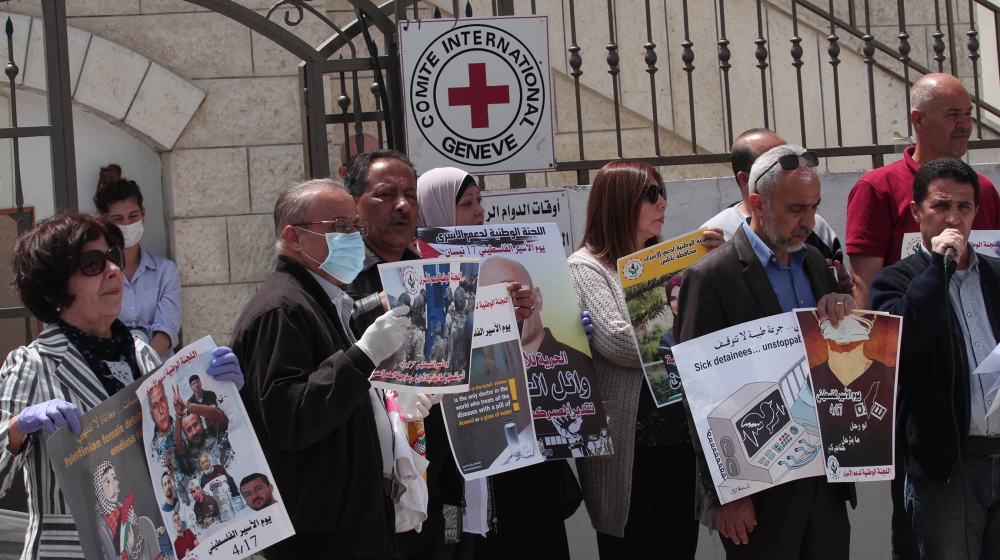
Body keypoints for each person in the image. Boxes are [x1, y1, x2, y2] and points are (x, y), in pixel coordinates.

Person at [0, 211, 241, 559]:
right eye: (92, 264)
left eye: (113, 256)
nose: (114, 269)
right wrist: (17, 429)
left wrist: (227, 395)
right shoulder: (35, 364)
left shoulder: (141, 353)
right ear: (56, 287)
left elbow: (176, 454)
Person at [676, 145, 855, 559]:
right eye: (796, 209)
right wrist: (727, 493)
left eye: (814, 207)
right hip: (756, 493)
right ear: (757, 203)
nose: (809, 222)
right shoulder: (710, 276)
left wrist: (841, 317)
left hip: (824, 484)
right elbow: (699, 395)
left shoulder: (813, 260)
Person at [230, 178, 412, 559]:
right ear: (294, 237)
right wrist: (363, 355)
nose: (353, 238)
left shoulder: (319, 299)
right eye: (340, 227)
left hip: (353, 525)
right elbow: (291, 417)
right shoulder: (282, 309)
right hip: (324, 535)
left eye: (356, 226)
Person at [567, 160, 698, 559]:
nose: (663, 203)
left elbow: (709, 325)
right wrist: (686, 337)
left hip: (680, 435)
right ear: (620, 202)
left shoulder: (666, 262)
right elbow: (618, 343)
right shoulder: (586, 267)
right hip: (629, 442)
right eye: (651, 194)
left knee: (678, 546)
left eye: (663, 192)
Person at [870, 158, 1000, 559]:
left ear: (976, 213)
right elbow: (909, 342)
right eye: (941, 206)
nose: (953, 218)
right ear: (915, 212)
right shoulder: (894, 281)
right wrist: (939, 268)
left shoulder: (996, 275)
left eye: (964, 207)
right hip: (947, 469)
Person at [411, 166, 540, 560]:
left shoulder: (490, 264)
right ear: (436, 211)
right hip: (442, 450)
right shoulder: (418, 274)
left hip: (496, 431)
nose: (480, 211)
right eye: (467, 204)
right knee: (449, 535)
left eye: (480, 201)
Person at [847, 73, 1000, 309]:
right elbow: (864, 284)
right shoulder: (877, 188)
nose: (965, 125)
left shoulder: (984, 189)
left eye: (968, 114)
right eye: (953, 115)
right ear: (918, 120)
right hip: (913, 337)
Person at [701, 129, 850, 292]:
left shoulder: (818, 232)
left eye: (790, 155)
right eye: (795, 209)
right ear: (745, 179)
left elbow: (847, 290)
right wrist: (725, 264)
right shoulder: (712, 237)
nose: (809, 222)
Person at [94, 165, 182, 358]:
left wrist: (143, 371)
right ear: (104, 221)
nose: (127, 224)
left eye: (133, 216)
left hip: (159, 373)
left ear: (143, 213)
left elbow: (167, 328)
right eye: (118, 218)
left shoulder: (165, 271)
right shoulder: (95, 275)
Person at [94, 460, 157, 560]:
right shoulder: (102, 522)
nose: (113, 486)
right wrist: (129, 545)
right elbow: (113, 556)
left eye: (114, 478)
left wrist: (133, 522)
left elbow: (134, 531)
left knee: (145, 522)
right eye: (107, 482)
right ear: (100, 489)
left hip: (137, 553)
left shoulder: (119, 506)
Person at [174, 393, 232, 475]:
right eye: (189, 429)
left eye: (195, 424)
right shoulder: (188, 451)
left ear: (201, 422)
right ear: (185, 434)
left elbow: (215, 415)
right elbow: (178, 446)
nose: (194, 432)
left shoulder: (215, 433)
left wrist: (190, 407)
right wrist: (178, 416)